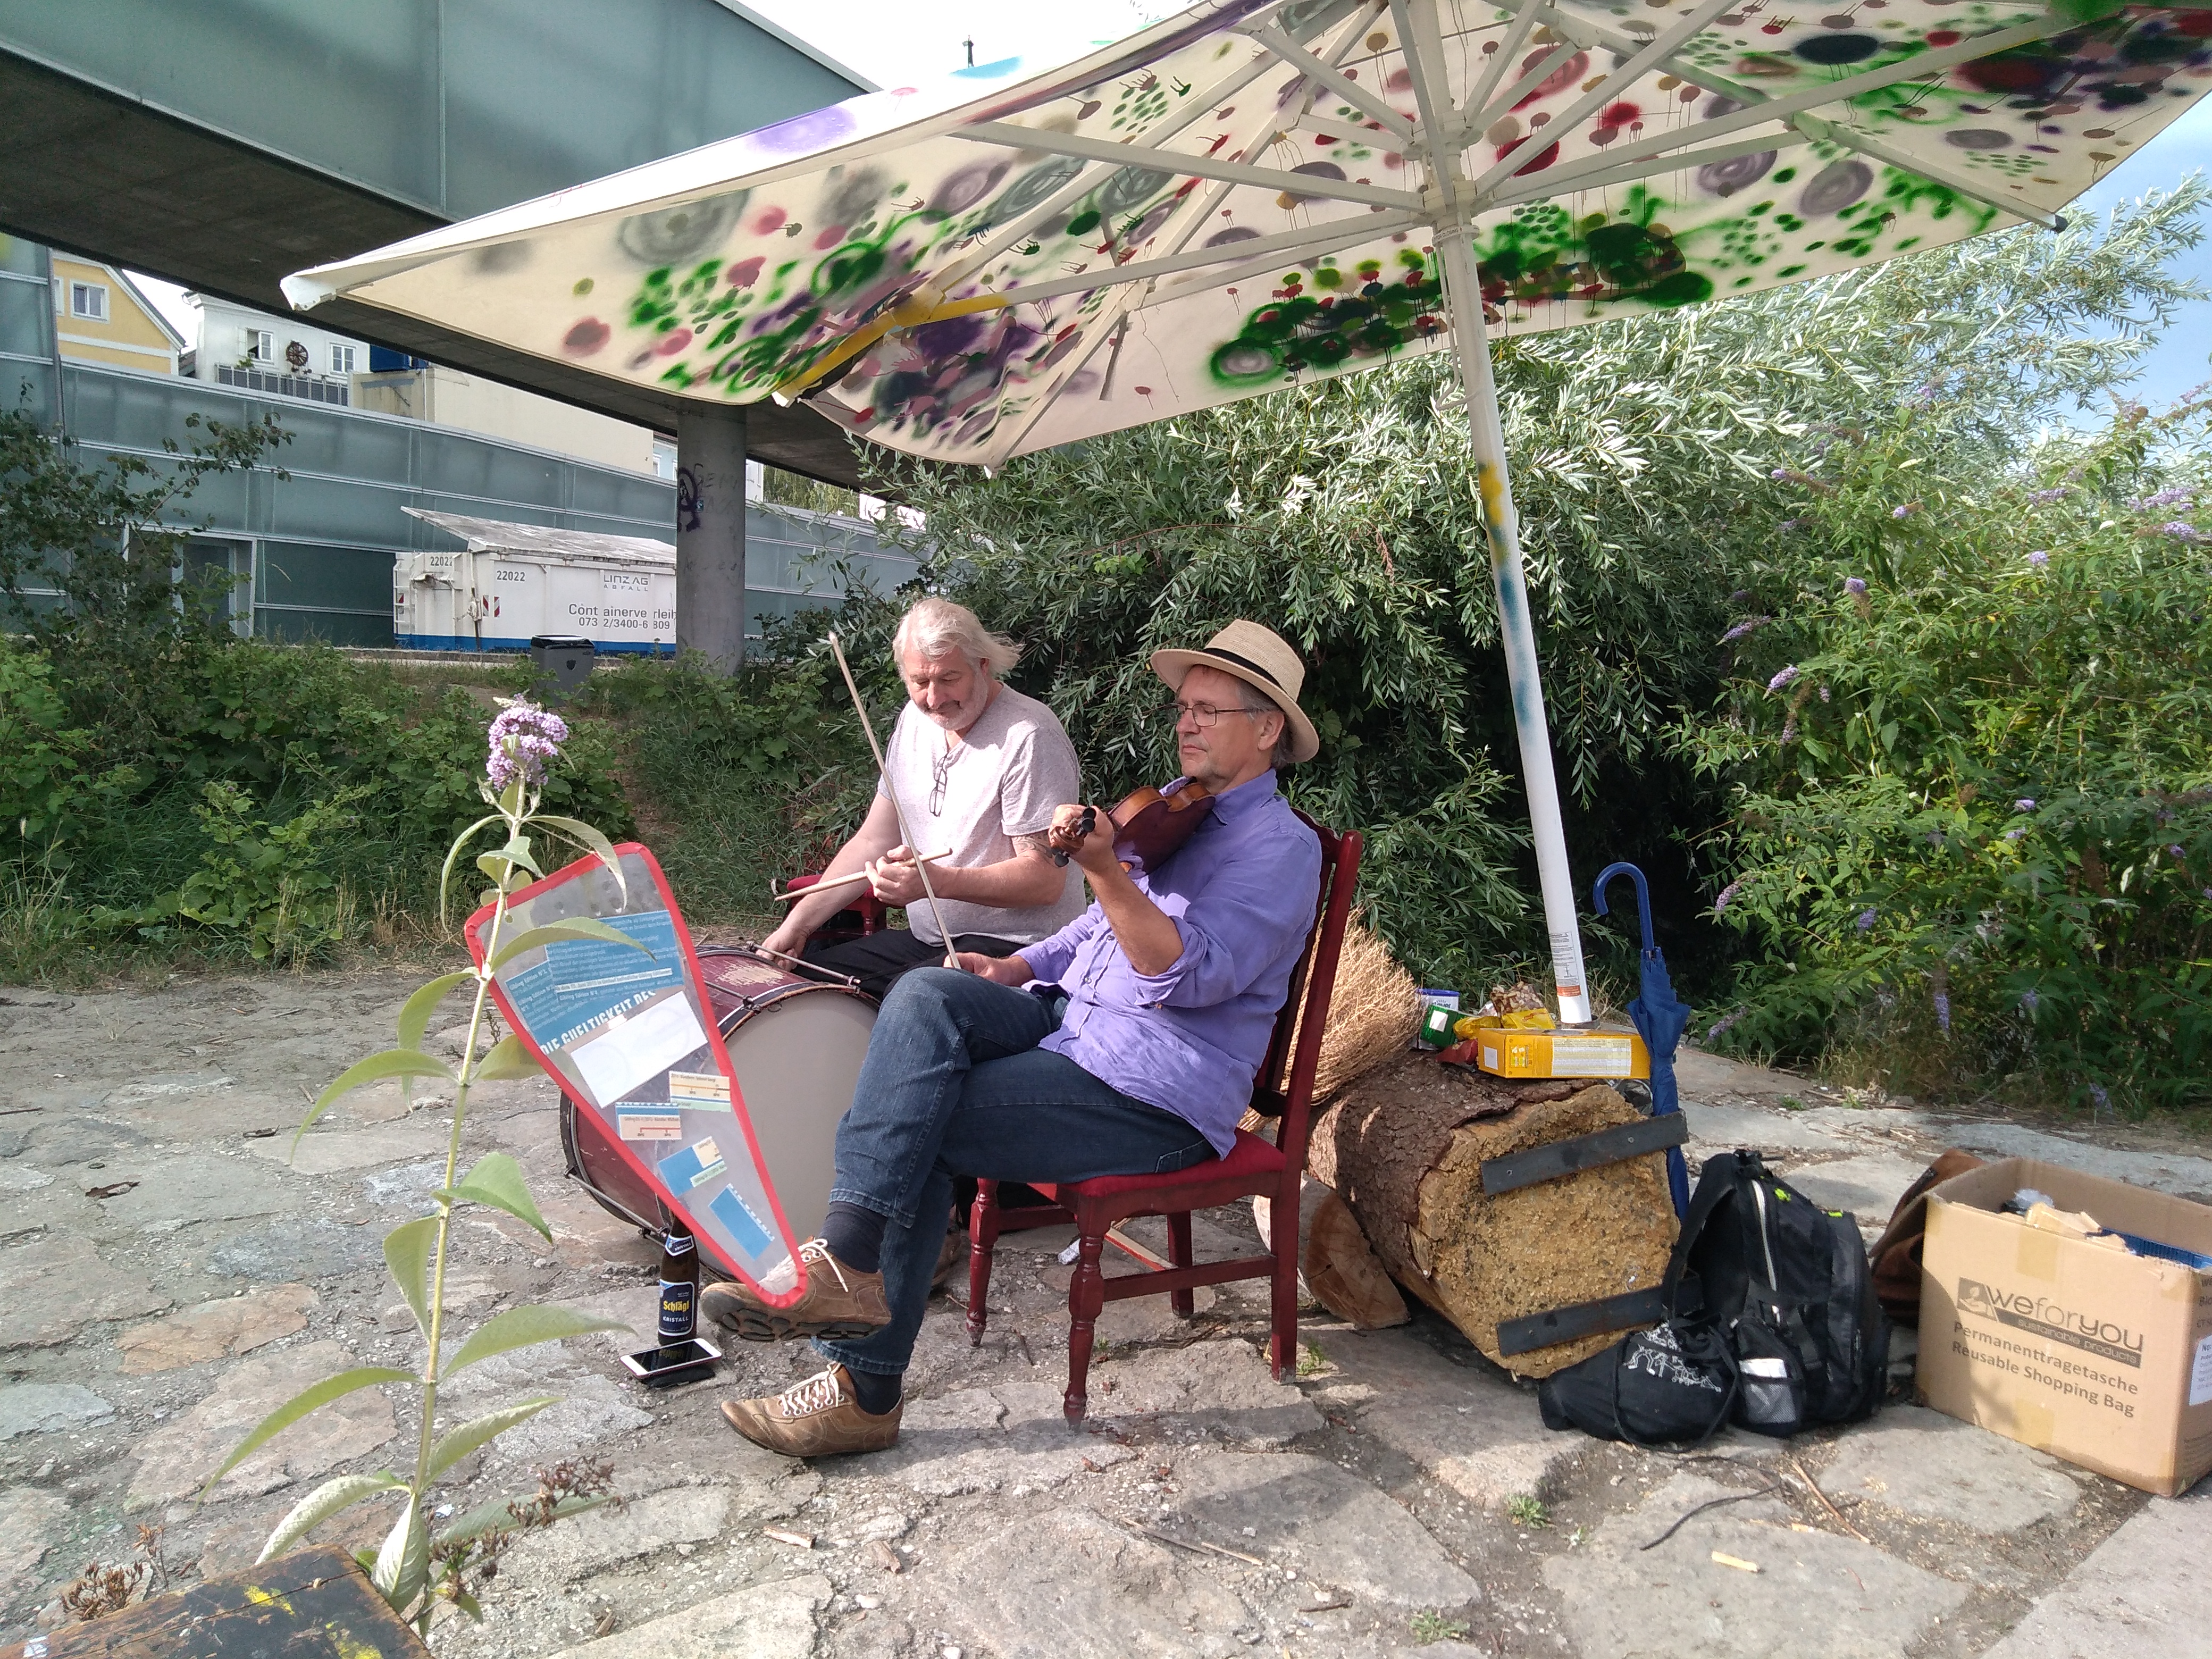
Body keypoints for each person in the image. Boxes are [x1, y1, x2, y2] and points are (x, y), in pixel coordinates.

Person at [703, 619, 1325, 1457]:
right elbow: (1096, 938)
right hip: (1074, 1022)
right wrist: (1023, 965)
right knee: (929, 993)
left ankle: (862, 1380)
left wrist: (1104, 869)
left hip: (1157, 1090)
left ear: (1267, 728)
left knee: (917, 1128)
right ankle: (851, 1270)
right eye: (1183, 706)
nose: (1185, 723)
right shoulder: (1181, 818)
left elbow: (1180, 976)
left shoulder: (1277, 850)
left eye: (1209, 710)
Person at [759, 597, 1085, 1000]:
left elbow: (1045, 880)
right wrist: (798, 927)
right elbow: (873, 841)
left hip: (1020, 949)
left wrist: (936, 882)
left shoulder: (1029, 735)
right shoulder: (915, 722)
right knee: (807, 985)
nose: (934, 699)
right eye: (920, 682)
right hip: (931, 939)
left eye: (949, 679)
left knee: (909, 999)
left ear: (982, 666)